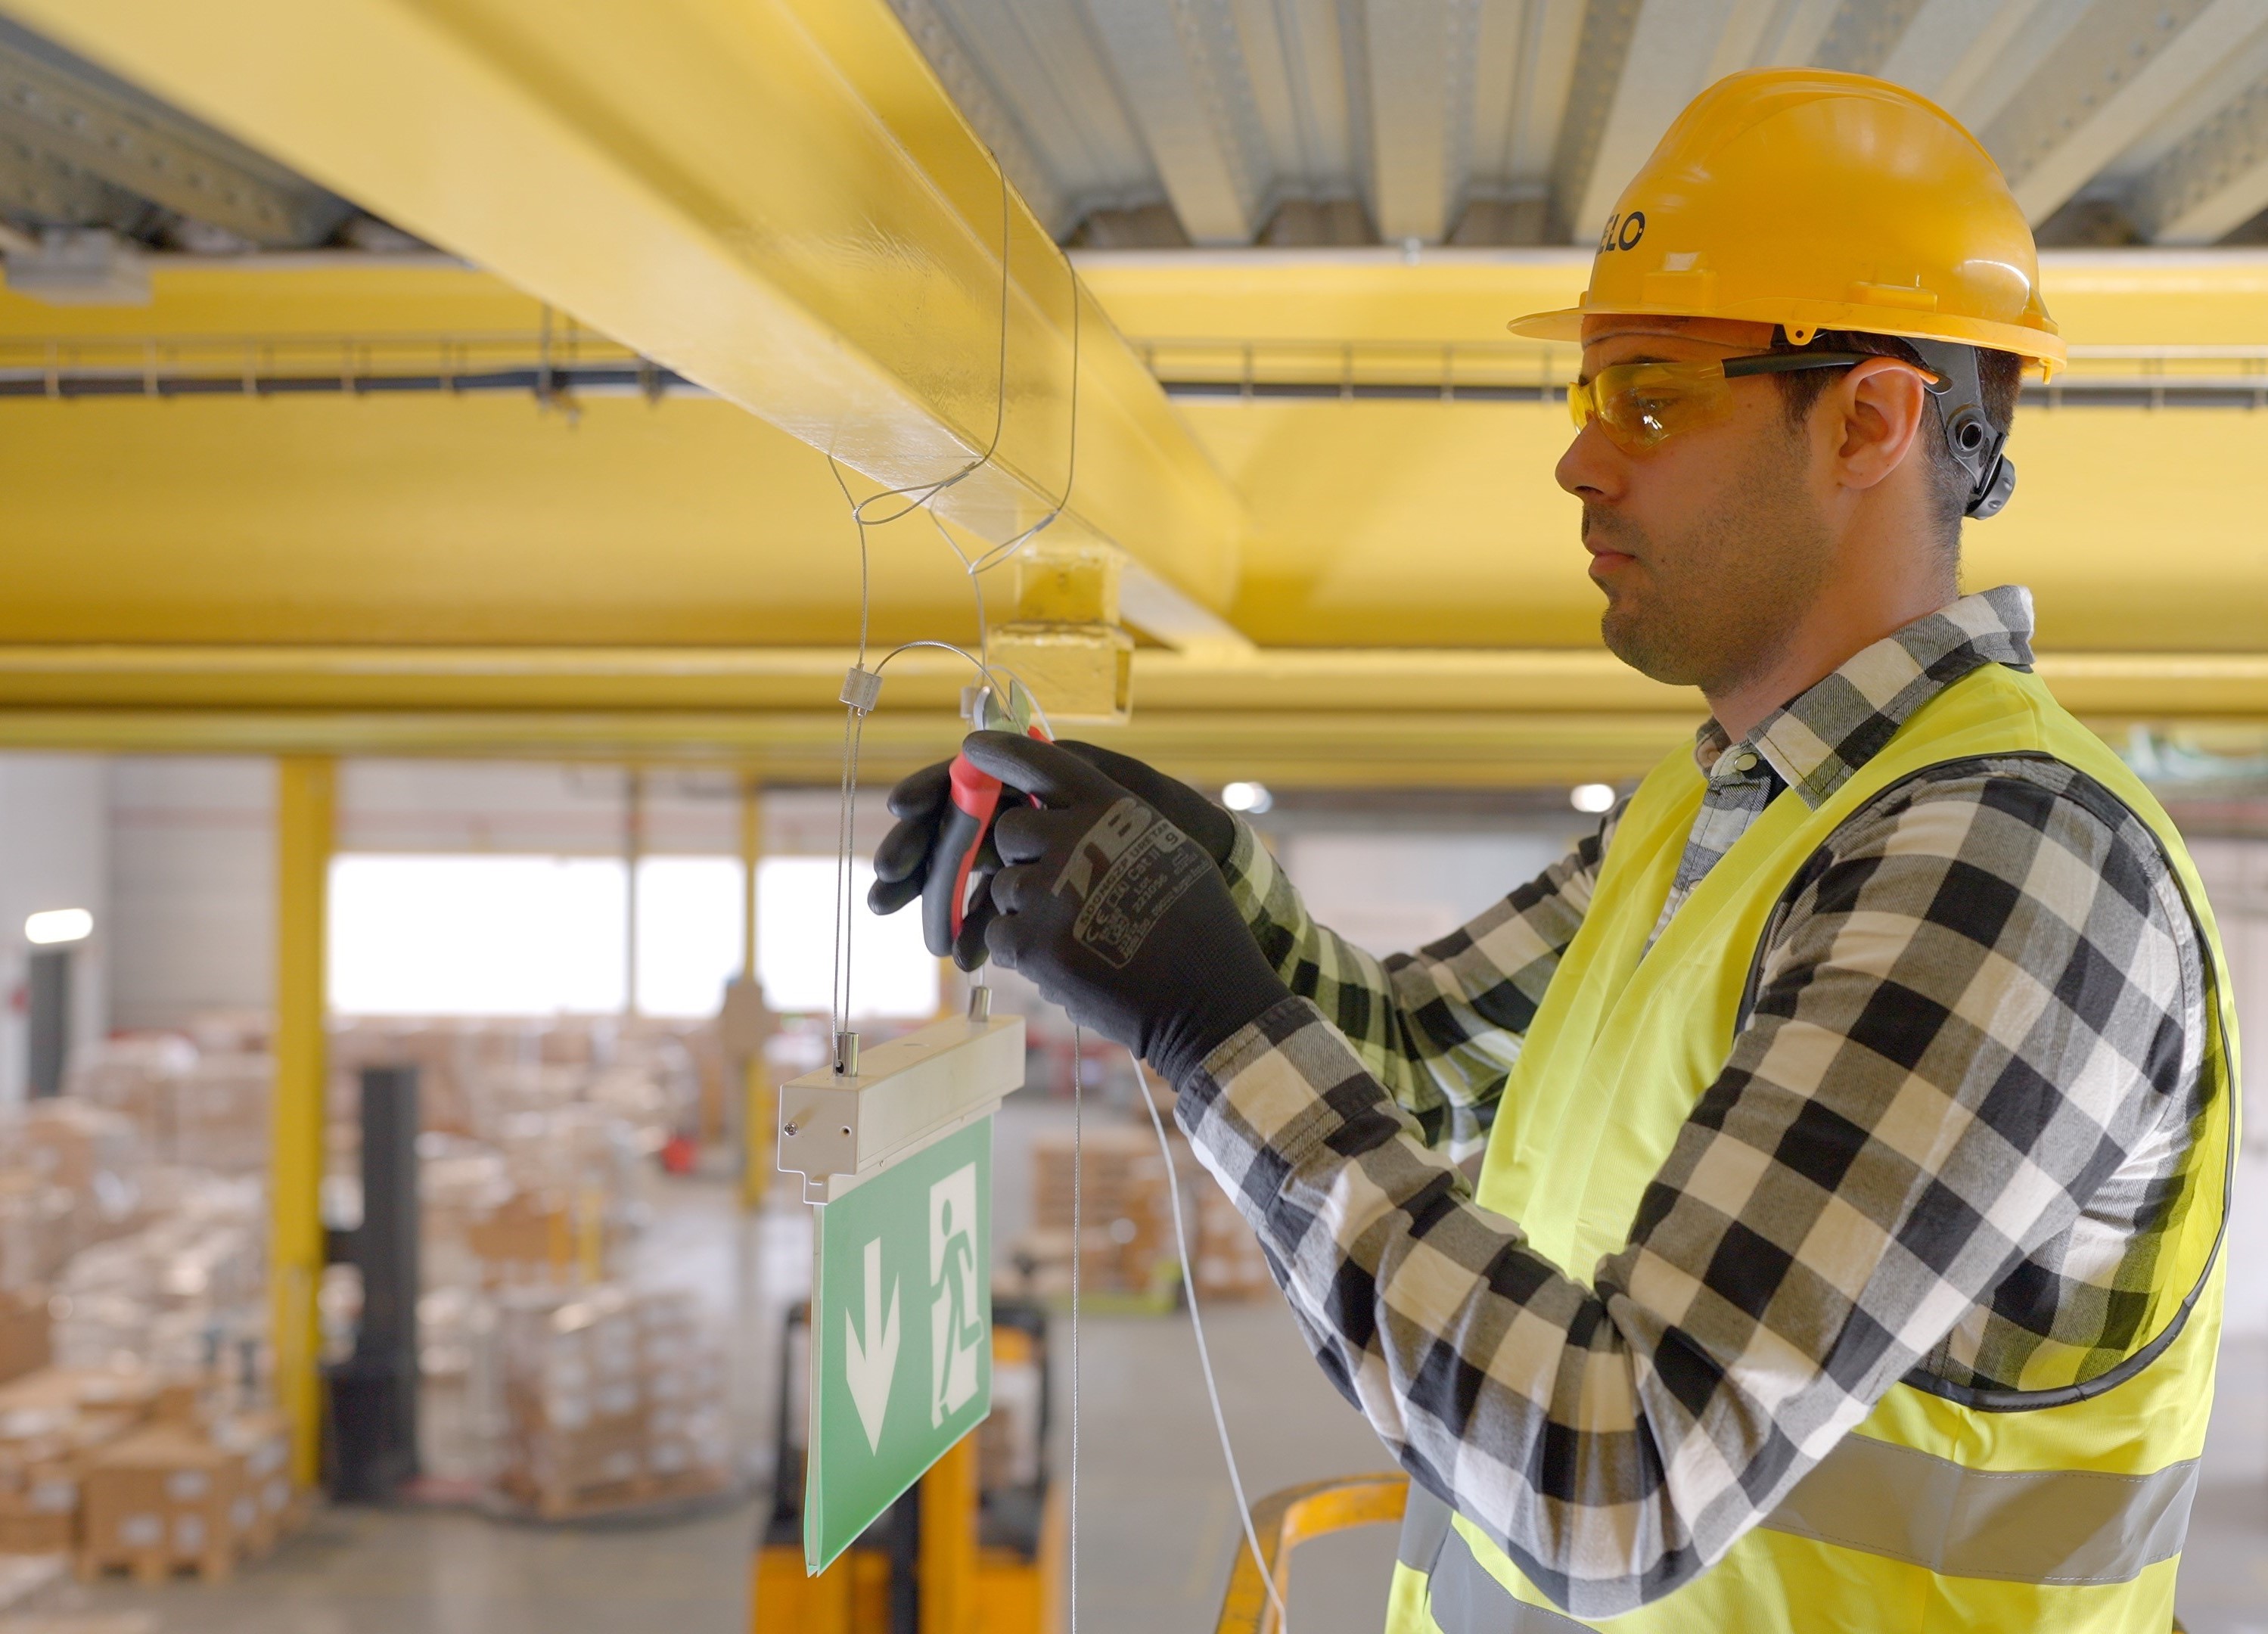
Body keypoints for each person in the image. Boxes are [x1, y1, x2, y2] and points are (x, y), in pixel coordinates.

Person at [872, 69, 2235, 1632]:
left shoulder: (2006, 870)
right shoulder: (1727, 804)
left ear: (1868, 418)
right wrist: (1193, 885)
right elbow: (1407, 1061)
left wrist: (1206, 1019)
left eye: (1649, 395)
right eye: (1587, 398)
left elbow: (1615, 1479)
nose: (1580, 462)